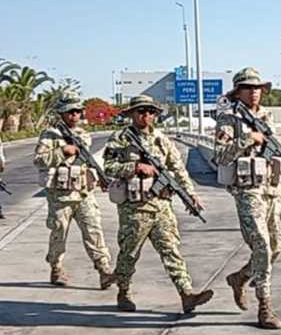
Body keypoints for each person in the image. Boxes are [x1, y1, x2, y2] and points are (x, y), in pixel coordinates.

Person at [103, 95, 213, 314]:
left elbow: (179, 170)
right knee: (129, 254)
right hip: (135, 208)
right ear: (132, 114)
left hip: (161, 206)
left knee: (171, 250)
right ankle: (123, 292)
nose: (146, 116)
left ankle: (186, 294)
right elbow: (108, 166)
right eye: (141, 111)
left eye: (150, 112)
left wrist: (190, 195)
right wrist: (134, 167)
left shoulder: (162, 140)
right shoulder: (121, 138)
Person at [215, 67, 281, 329]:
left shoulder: (267, 116)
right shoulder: (229, 119)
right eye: (248, 88)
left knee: (278, 243)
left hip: (271, 189)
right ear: (237, 91)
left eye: (257, 88)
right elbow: (221, 156)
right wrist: (248, 138)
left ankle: (241, 277)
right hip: (247, 191)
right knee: (262, 247)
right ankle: (265, 307)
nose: (254, 92)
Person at [32, 92, 115, 288]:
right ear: (62, 113)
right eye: (70, 112)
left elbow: (87, 161)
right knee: (59, 234)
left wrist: (101, 178)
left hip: (84, 193)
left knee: (94, 230)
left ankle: (104, 270)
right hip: (60, 196)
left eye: (77, 112)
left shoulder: (83, 135)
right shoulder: (50, 135)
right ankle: (56, 268)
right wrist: (62, 151)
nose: (74, 116)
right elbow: (38, 160)